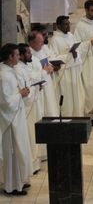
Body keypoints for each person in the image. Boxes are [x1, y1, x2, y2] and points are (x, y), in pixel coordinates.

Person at [0, 43, 33, 196]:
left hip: (16, 117)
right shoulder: (4, 75)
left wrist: (22, 92)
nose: (19, 57)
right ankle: (11, 186)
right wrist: (20, 94)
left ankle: (18, 182)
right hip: (10, 121)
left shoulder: (9, 70)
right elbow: (6, 101)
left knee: (18, 152)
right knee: (12, 153)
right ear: (10, 57)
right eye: (16, 55)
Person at [49, 16, 85, 116]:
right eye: (66, 24)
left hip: (74, 71)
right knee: (67, 100)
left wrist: (75, 54)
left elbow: (78, 51)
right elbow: (52, 58)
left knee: (77, 98)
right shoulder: (54, 40)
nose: (68, 26)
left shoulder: (70, 35)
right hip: (64, 74)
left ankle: (77, 118)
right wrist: (68, 55)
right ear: (59, 26)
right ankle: (67, 119)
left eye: (69, 24)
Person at [16, 43, 43, 174]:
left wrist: (37, 86)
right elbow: (24, 92)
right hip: (26, 109)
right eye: (27, 53)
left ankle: (34, 162)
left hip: (32, 105)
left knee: (34, 135)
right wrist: (35, 87)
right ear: (20, 56)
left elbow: (30, 82)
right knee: (30, 136)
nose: (30, 54)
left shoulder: (24, 67)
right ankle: (30, 164)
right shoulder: (18, 70)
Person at [28, 31, 59, 117]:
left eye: (42, 41)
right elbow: (30, 74)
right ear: (31, 42)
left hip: (48, 83)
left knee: (51, 107)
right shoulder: (28, 54)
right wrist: (44, 71)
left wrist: (51, 68)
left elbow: (47, 63)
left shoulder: (42, 50)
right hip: (39, 87)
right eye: (40, 42)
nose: (42, 44)